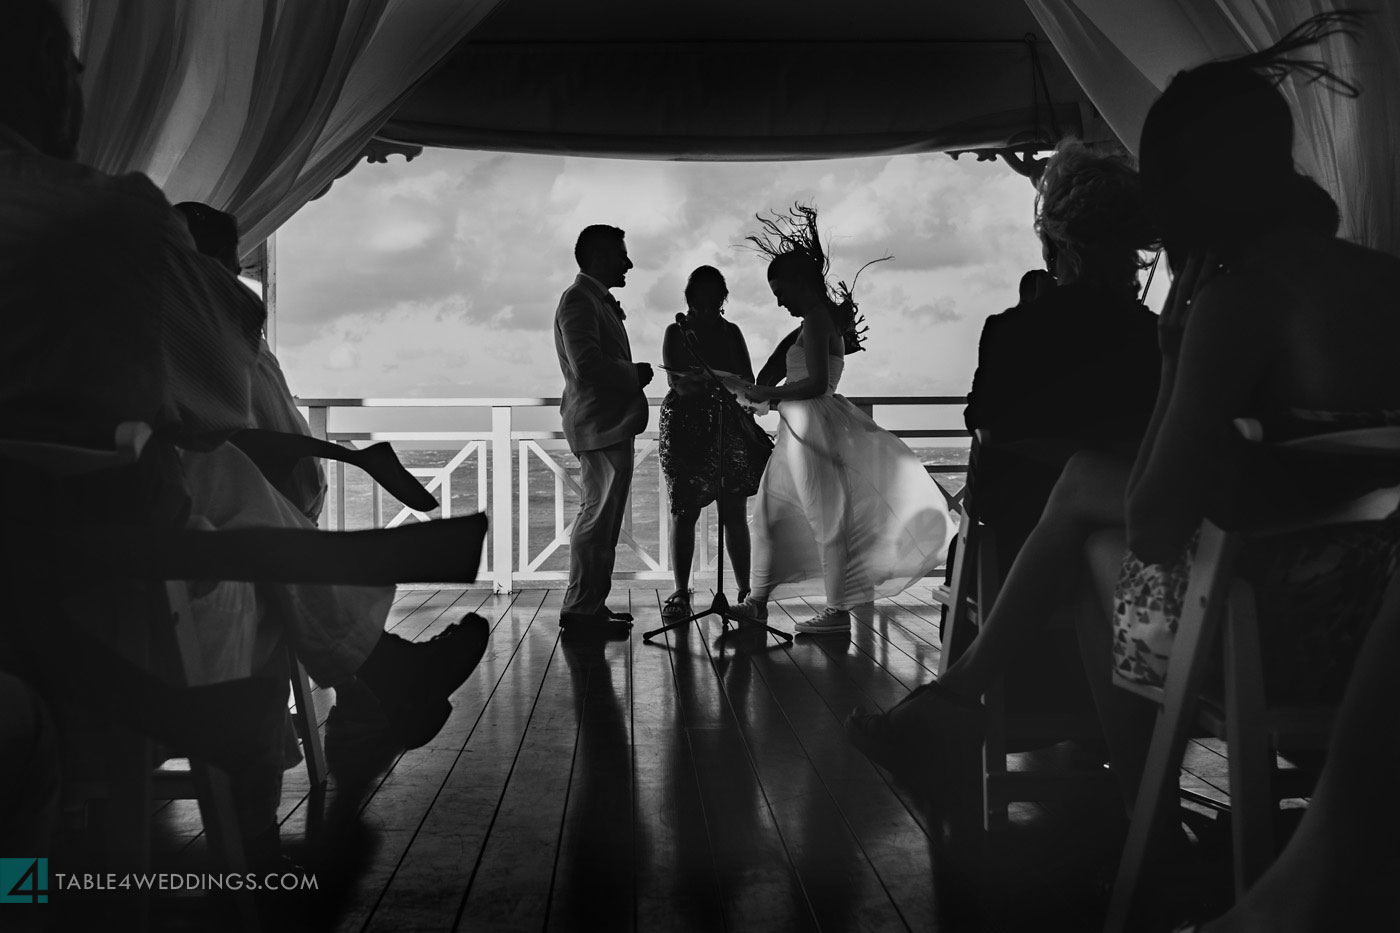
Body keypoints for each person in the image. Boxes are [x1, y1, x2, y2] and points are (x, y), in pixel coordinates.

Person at [846, 14, 1400, 837]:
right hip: (1379, 615)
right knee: (1082, 497)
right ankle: (967, 708)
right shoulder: (1381, 278)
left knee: (1098, 539)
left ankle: (1144, 815)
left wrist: (1178, 349)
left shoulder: (1238, 300)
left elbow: (1155, 520)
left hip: (1284, 637)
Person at [0, 0, 489, 859]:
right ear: (43, 81)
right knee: (216, 475)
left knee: (215, 485)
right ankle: (276, 807)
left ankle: (375, 671)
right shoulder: (105, 219)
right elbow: (220, 393)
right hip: (97, 563)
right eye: (72, 72)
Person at [730, 206, 954, 635]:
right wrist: (768, 399)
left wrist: (766, 394)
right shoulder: (814, 320)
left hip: (812, 430)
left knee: (827, 518)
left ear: (799, 283)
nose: (779, 300)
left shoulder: (816, 318)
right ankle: (757, 602)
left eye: (780, 290)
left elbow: (815, 384)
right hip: (796, 431)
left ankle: (836, 612)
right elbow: (795, 378)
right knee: (770, 514)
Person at [963, 146, 1162, 576]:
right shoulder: (1157, 335)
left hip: (1025, 528)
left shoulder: (1012, 330)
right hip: (1131, 524)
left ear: (1055, 246)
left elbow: (981, 423)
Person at [554, 225, 654, 635]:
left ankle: (591, 605)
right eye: (621, 255)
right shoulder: (578, 300)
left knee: (604, 520)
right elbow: (587, 365)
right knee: (597, 519)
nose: (628, 263)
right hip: (600, 424)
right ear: (599, 257)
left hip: (608, 424)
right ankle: (580, 610)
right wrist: (635, 373)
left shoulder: (591, 300)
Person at [658, 266, 765, 618]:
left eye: (713, 304)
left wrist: (720, 382)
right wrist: (711, 381)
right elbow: (677, 381)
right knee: (684, 509)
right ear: (689, 301)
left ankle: (745, 591)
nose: (706, 311)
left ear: (722, 301)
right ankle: (680, 590)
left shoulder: (731, 331)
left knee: (734, 511)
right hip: (686, 425)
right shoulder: (676, 331)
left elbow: (747, 378)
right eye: (700, 304)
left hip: (726, 424)